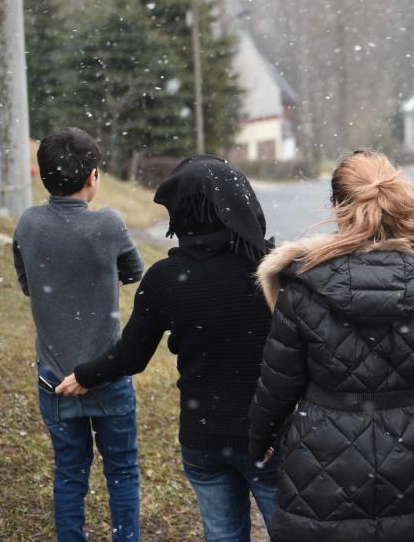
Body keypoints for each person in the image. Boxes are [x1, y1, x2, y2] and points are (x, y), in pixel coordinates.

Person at [248, 150, 414, 542]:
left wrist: (262, 437)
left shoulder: (303, 282)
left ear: (337, 205)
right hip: (411, 447)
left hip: (323, 454)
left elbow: (279, 380)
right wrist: (411, 418)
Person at [56, 155, 277, 542]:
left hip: (203, 439)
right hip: (270, 437)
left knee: (224, 536)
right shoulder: (273, 271)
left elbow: (131, 356)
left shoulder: (164, 278)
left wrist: (84, 376)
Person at [13, 127, 144, 542]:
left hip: (53, 380)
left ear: (43, 175)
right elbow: (134, 271)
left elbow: (29, 283)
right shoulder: (108, 223)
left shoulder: (28, 224)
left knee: (69, 472)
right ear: (93, 177)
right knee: (121, 470)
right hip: (106, 374)